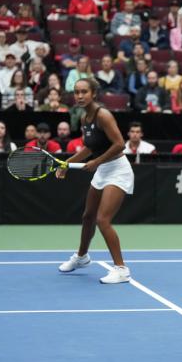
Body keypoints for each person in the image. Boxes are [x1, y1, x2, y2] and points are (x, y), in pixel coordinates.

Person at [56, 78, 134, 284]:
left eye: (84, 92)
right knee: (88, 216)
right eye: (76, 92)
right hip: (102, 169)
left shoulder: (103, 115)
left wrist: (96, 162)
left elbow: (119, 144)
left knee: (102, 219)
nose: (79, 96)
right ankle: (82, 257)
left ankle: (121, 269)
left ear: (94, 94)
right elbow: (89, 147)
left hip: (118, 170)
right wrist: (67, 163)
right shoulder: (84, 118)